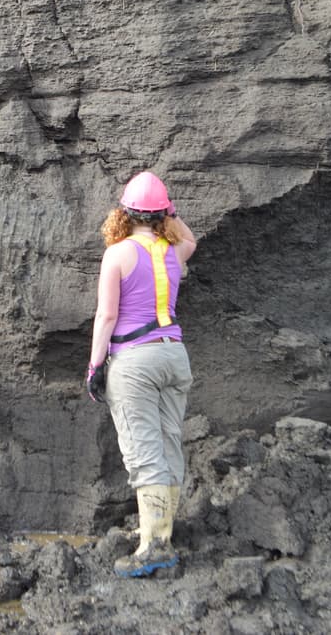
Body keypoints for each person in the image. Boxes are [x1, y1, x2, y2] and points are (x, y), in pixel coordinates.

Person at [86, 170, 198, 577]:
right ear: (162, 214)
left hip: (135, 361)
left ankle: (154, 547)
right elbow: (191, 239)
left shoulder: (117, 254)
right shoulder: (173, 249)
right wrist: (172, 212)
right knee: (169, 445)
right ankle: (161, 532)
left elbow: (107, 315)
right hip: (174, 356)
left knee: (143, 451)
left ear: (124, 212)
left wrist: (95, 365)